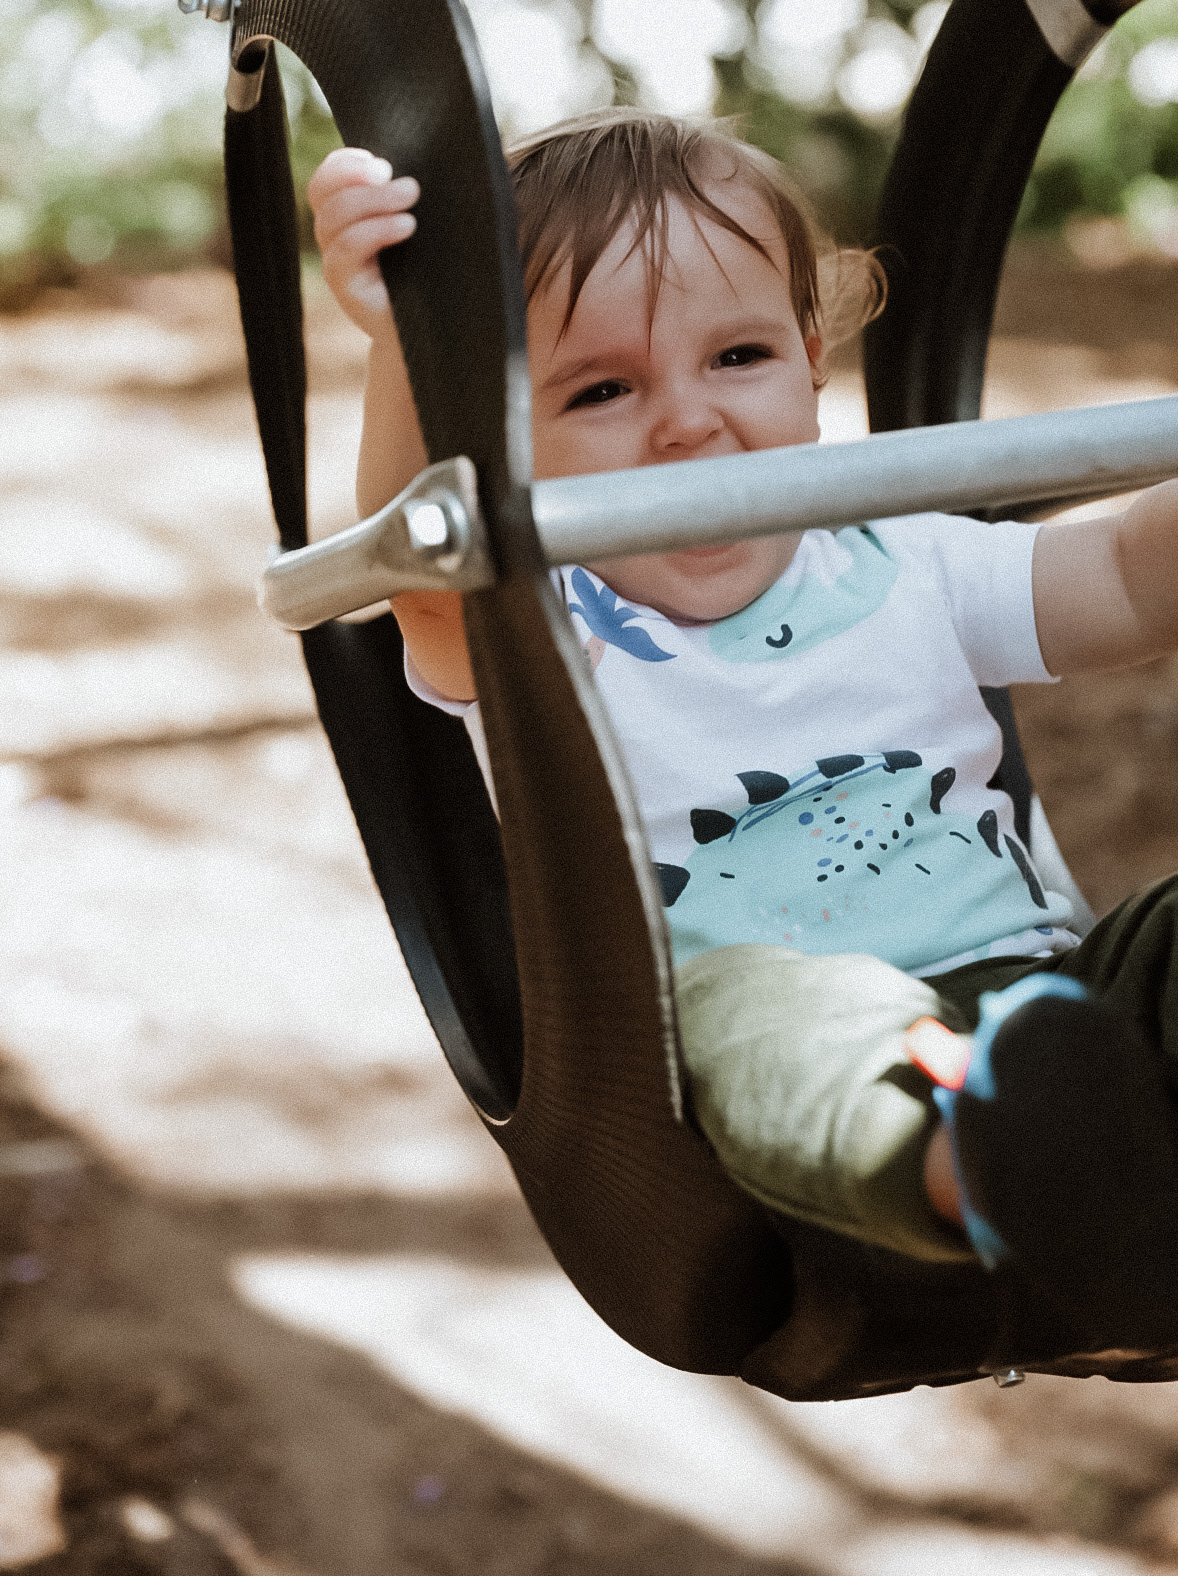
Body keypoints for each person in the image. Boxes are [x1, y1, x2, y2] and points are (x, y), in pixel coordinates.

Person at [308, 109, 1178, 1346]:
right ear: (503, 441)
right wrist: (409, 336)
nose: (685, 422)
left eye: (736, 357)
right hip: (787, 1039)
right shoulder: (542, 629)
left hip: (1052, 1002)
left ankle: (1083, 1145)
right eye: (601, 389)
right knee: (771, 1019)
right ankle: (989, 1170)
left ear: (809, 362)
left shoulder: (905, 558)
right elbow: (427, 563)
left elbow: (1134, 578)